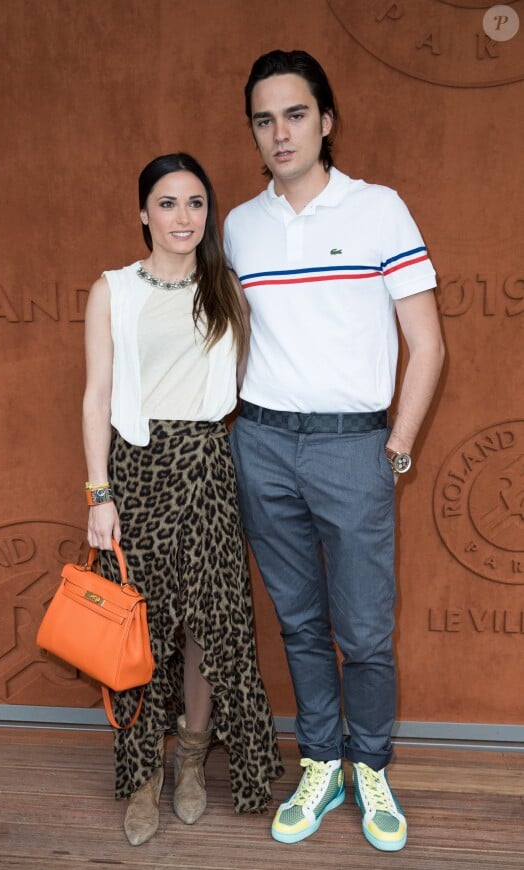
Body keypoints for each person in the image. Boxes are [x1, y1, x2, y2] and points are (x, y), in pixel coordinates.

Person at [224, 50, 445, 852]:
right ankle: (321, 760)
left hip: (354, 447)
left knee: (364, 629)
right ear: (254, 132)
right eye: (263, 119)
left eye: (293, 114)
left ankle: (372, 766)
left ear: (326, 122)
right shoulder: (239, 227)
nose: (279, 133)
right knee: (302, 623)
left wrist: (398, 445)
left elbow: (428, 345)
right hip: (262, 443)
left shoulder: (379, 210)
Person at [82, 152, 283, 847]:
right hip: (134, 473)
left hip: (206, 467)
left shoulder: (224, 285)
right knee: (137, 628)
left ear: (208, 213)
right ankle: (142, 774)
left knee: (208, 623)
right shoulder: (112, 289)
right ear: (143, 213)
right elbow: (96, 396)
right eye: (167, 203)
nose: (182, 217)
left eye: (195, 203)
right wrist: (98, 492)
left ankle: (192, 760)